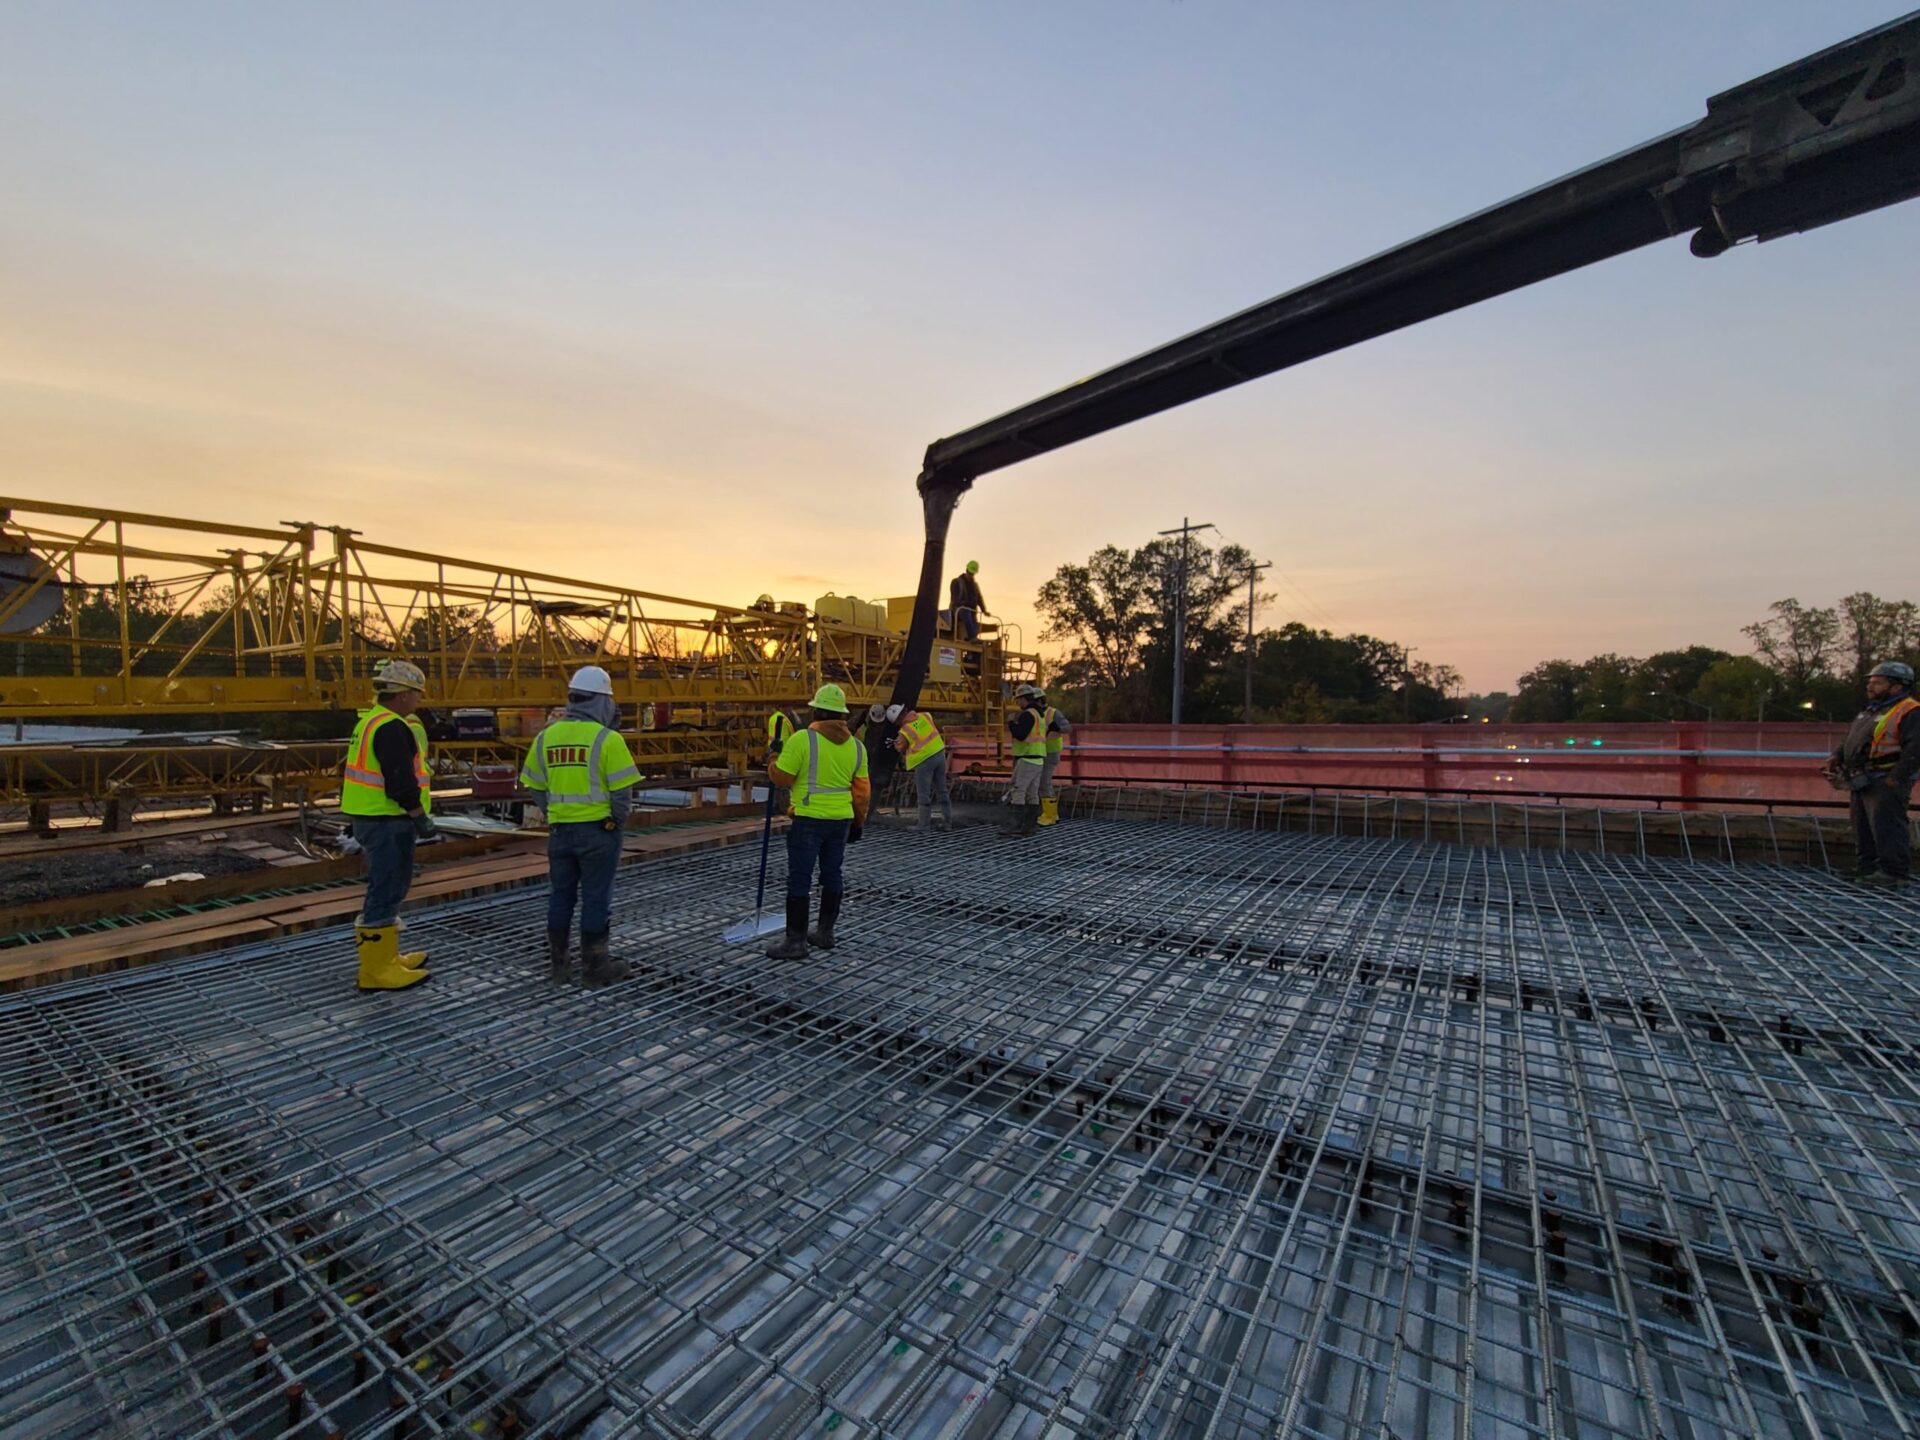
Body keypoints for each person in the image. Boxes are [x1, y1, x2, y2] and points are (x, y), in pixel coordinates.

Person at [520, 665, 643, 985]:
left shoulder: (547, 737)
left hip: (560, 833)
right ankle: (595, 967)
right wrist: (616, 821)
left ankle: (559, 966)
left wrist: (553, 810)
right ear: (603, 702)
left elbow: (533, 784)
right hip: (598, 832)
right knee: (595, 897)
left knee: (560, 895)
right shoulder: (607, 739)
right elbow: (622, 792)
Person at [341, 659, 435, 991]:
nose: (419, 701)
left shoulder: (371, 721)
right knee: (388, 886)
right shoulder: (392, 727)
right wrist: (418, 815)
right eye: (417, 695)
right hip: (387, 820)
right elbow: (399, 778)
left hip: (373, 817)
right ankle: (376, 971)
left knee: (389, 885)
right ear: (405, 694)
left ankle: (386, 958)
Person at [765, 683, 870, 958]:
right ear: (841, 716)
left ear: (817, 712)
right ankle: (825, 933)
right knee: (832, 874)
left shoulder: (802, 740)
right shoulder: (858, 748)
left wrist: (773, 756)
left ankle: (796, 942)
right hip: (841, 821)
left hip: (809, 820)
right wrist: (858, 823)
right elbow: (862, 793)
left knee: (800, 878)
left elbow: (782, 778)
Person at [1823, 660, 1920, 886]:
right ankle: (1866, 869)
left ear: (1897, 686)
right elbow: (1853, 737)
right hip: (1862, 779)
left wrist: (1896, 778)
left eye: (1877, 682)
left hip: (1886, 779)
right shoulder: (1871, 710)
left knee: (1887, 826)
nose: (1870, 687)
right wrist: (1837, 755)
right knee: (1862, 825)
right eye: (1870, 682)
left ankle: (1893, 873)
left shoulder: (1910, 711)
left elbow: (1916, 748)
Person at [889, 702, 952, 830]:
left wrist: (895, 744)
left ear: (898, 719)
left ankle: (923, 825)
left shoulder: (905, 730)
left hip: (924, 760)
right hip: (939, 755)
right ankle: (947, 823)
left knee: (924, 794)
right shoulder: (925, 715)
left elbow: (900, 747)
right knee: (942, 791)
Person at [1003, 683, 1052, 838]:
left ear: (1024, 699)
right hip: (1038, 758)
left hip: (1027, 757)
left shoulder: (1027, 714)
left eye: (1018, 700)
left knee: (1019, 790)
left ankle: (1016, 827)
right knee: (1032, 792)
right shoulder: (1040, 715)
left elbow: (1021, 735)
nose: (1017, 703)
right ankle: (1030, 827)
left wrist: (1011, 723)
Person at [1036, 690, 1073, 826]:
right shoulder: (1035, 713)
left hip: (1050, 753)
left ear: (1039, 700)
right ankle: (1050, 814)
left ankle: (1050, 815)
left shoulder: (1052, 713)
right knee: (1041, 783)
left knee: (1044, 783)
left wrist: (1057, 728)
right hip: (1039, 752)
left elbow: (1068, 728)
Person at [945, 560, 989, 642]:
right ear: (967, 571)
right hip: (958, 609)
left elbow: (979, 598)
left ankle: (972, 637)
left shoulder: (975, 586)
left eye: (972, 574)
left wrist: (984, 610)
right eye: (970, 573)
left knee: (973, 618)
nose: (971, 575)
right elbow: (955, 599)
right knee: (966, 612)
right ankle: (972, 637)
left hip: (971, 610)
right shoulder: (956, 582)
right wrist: (965, 603)